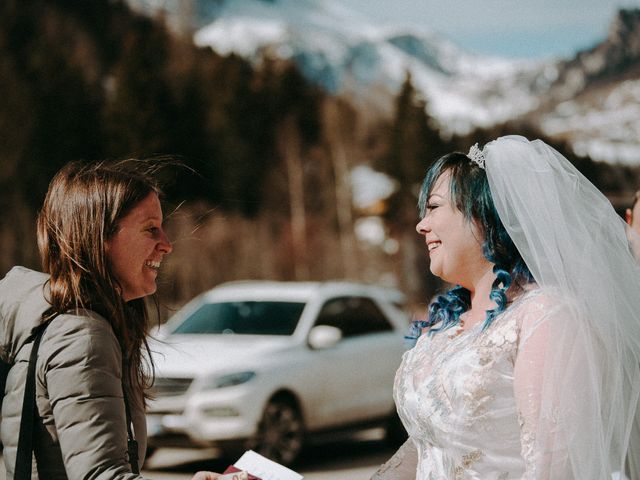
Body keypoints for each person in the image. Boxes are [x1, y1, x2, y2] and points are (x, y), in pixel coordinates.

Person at [371, 135, 640, 479]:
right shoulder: (448, 327)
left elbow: (552, 468)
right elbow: (429, 445)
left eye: (434, 207)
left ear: (483, 213)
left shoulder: (545, 316)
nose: (422, 225)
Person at [0, 160, 220, 479]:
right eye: (150, 229)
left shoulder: (74, 324)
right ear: (100, 237)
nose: (167, 244)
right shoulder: (81, 335)